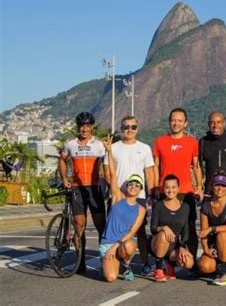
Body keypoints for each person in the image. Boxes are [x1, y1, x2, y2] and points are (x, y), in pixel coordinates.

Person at [104, 116, 155, 276]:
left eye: (133, 127)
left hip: (139, 196)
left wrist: (151, 194)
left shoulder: (145, 148)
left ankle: (145, 263)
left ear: (137, 129)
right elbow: (107, 171)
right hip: (119, 196)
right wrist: (116, 192)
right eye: (126, 127)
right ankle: (113, 258)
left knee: (139, 231)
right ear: (121, 128)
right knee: (115, 229)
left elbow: (149, 172)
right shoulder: (114, 147)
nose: (130, 130)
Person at [153, 108, 203, 263]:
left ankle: (191, 260)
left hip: (185, 192)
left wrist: (199, 187)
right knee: (162, 229)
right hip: (165, 191)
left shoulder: (192, 142)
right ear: (169, 122)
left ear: (185, 123)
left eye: (180, 120)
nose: (176, 123)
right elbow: (155, 166)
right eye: (174, 120)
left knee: (190, 229)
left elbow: (196, 166)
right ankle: (162, 264)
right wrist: (155, 187)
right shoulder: (160, 141)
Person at [59, 112, 106, 273]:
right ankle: (80, 260)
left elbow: (109, 164)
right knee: (79, 226)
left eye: (87, 126)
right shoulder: (70, 144)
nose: (84, 129)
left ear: (92, 127)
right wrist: (64, 177)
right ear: (78, 127)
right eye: (81, 126)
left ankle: (105, 260)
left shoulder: (99, 145)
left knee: (101, 226)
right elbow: (62, 160)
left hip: (94, 188)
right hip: (77, 189)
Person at [100, 135, 146, 282]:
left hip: (121, 245)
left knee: (131, 245)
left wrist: (117, 245)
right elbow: (113, 173)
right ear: (127, 186)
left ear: (140, 189)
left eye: (137, 185)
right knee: (111, 278)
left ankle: (125, 264)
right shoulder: (118, 197)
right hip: (107, 244)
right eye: (131, 184)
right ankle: (109, 262)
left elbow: (132, 231)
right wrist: (109, 151)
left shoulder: (141, 209)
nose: (133, 187)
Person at [150, 174, 194, 282]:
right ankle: (159, 269)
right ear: (163, 189)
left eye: (173, 187)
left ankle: (169, 265)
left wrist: (183, 246)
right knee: (163, 235)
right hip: (157, 242)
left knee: (189, 262)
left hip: (173, 246)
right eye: (167, 187)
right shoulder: (158, 205)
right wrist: (164, 228)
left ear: (178, 188)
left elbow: (185, 229)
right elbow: (153, 228)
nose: (170, 190)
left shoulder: (185, 207)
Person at [199, 111, 226, 193]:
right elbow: (196, 166)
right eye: (212, 122)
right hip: (210, 192)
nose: (215, 125)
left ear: (224, 123)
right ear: (208, 124)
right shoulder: (203, 142)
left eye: (218, 122)